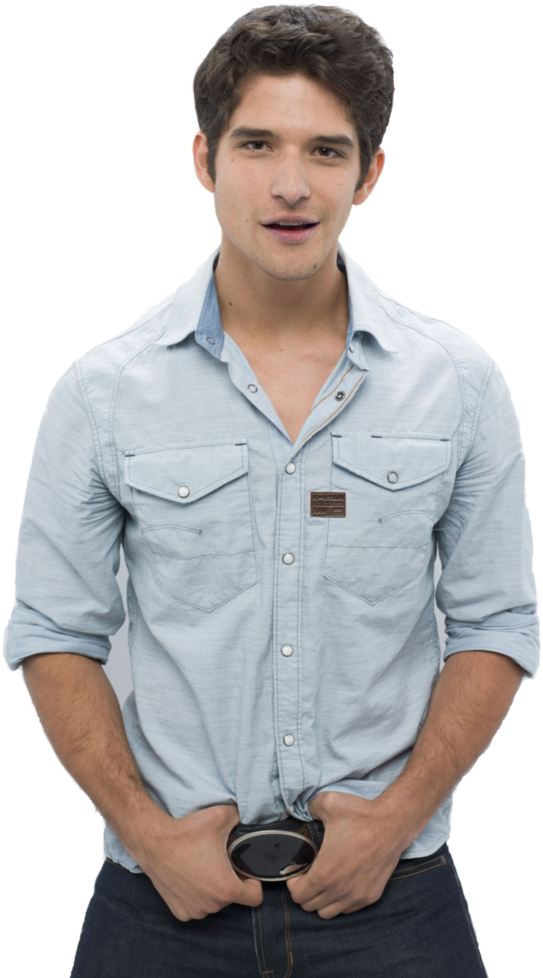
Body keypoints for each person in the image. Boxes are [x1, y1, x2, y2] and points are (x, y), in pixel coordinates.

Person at [3, 5, 539, 977]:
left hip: (394, 900)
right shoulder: (103, 391)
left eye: (326, 151)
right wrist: (147, 832)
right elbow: (54, 632)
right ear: (203, 159)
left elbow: (495, 622)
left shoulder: (457, 383)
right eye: (257, 144)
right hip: (160, 904)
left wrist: (397, 819)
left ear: (370, 173)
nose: (291, 185)